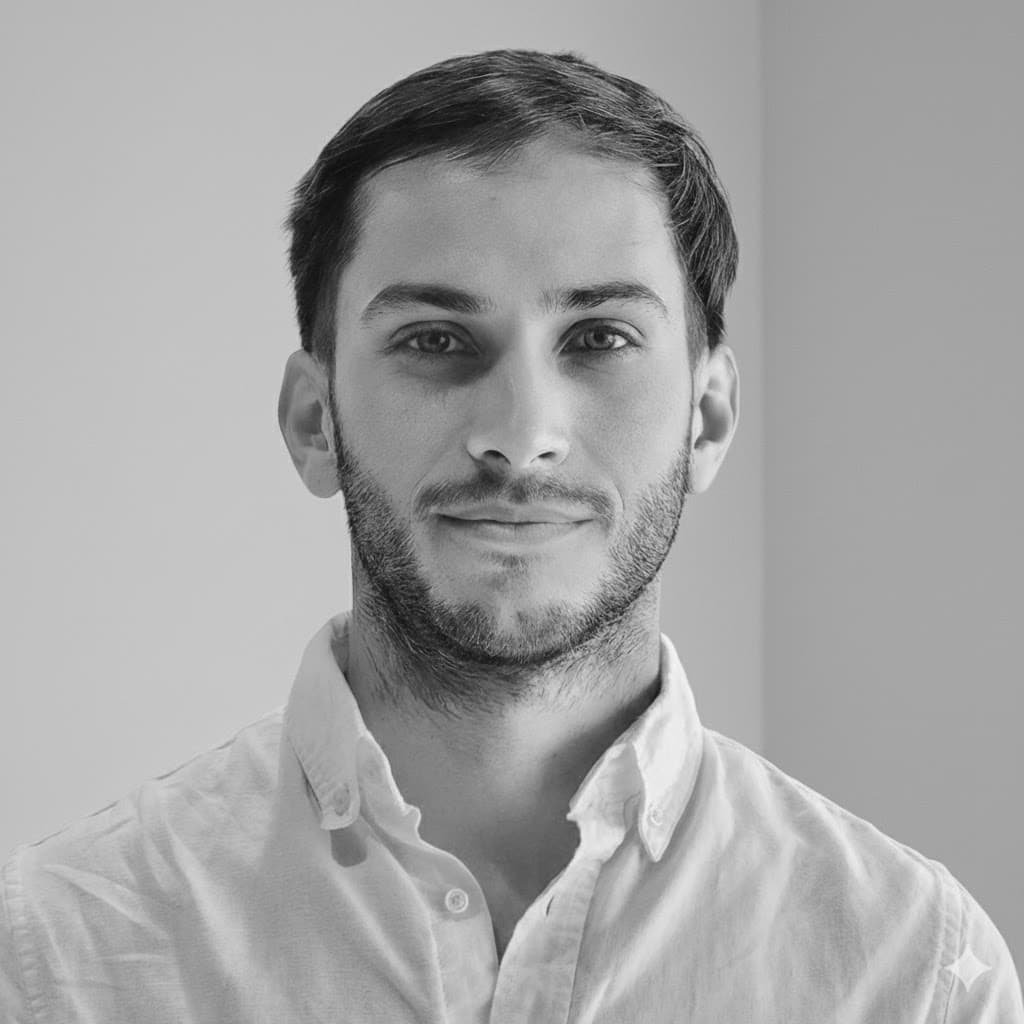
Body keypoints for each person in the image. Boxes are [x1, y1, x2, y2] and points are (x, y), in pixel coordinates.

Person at [1, 47, 1021, 1024]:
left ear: (705, 418)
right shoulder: (55, 955)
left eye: (600, 339)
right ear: (316, 421)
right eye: (435, 340)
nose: (520, 434)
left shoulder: (914, 972)